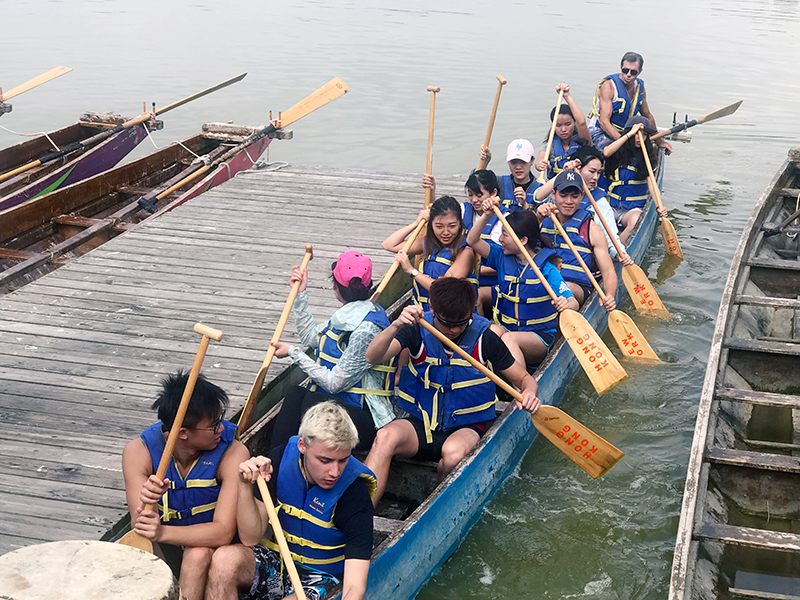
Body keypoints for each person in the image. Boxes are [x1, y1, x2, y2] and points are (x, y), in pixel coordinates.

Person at [363, 277, 541, 505]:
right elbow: (372, 356)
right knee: (384, 436)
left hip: (466, 425)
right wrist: (397, 324)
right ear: (433, 310)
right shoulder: (416, 330)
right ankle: (363, 512)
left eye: (462, 322)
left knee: (453, 456)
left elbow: (526, 380)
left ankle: (431, 508)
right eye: (447, 323)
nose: (455, 330)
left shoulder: (485, 338)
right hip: (422, 423)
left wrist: (529, 394)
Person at [205, 402, 374, 600]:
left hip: (323, 578)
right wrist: (244, 485)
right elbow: (250, 538)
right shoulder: (279, 460)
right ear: (302, 446)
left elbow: (355, 588)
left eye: (343, 460)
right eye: (325, 460)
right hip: (280, 563)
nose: (335, 472)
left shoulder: (355, 493)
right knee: (224, 559)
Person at [121, 371, 250, 600]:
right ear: (183, 433)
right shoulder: (137, 452)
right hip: (166, 550)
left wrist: (162, 531)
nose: (222, 429)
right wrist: (148, 501)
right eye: (213, 426)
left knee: (197, 554)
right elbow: (140, 526)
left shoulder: (233, 453)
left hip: (218, 551)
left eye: (220, 420)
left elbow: (222, 532)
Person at [269, 251, 395, 454]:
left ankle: (280, 463)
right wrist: (300, 294)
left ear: (335, 286)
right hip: (339, 408)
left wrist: (294, 353)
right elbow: (311, 337)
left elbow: (334, 384)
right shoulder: (349, 314)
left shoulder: (366, 329)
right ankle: (273, 461)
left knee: (311, 402)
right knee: (295, 394)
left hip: (365, 419)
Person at [467, 202, 578, 367]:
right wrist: (487, 215)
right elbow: (472, 240)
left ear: (523, 240)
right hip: (508, 329)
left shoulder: (547, 269)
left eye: (505, 234)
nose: (500, 239)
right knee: (484, 332)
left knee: (509, 339)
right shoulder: (500, 258)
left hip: (538, 338)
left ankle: (522, 389)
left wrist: (566, 303)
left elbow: (573, 303)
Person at [537, 170, 619, 309]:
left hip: (577, 289)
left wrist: (610, 296)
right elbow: (519, 244)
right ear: (553, 194)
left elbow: (609, 272)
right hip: (545, 285)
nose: (568, 202)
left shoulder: (592, 230)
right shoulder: (542, 220)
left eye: (574, 196)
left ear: (582, 196)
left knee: (564, 288)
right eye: (563, 195)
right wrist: (538, 219)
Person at [381, 195, 476, 312]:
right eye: (439, 226)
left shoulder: (465, 251)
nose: (446, 232)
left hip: (448, 316)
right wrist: (417, 223)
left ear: (460, 224)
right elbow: (389, 244)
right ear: (431, 225)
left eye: (452, 226)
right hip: (421, 313)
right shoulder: (427, 243)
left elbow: (444, 289)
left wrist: (411, 270)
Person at [597, 117, 668, 244]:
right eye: (636, 133)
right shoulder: (616, 151)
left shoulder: (646, 157)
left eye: (644, 134)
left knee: (635, 222)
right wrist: (630, 133)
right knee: (593, 217)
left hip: (630, 210)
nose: (639, 137)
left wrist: (659, 206)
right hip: (610, 206)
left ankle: (618, 250)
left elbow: (651, 184)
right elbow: (606, 153)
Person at [586, 51, 673, 155]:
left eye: (633, 72)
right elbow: (604, 122)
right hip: (600, 131)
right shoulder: (609, 86)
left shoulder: (640, 88)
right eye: (625, 70)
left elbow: (648, 116)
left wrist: (659, 141)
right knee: (619, 154)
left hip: (624, 134)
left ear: (640, 71)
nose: (628, 75)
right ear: (621, 67)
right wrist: (623, 142)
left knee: (646, 153)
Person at [535, 83, 591, 180]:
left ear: (574, 123)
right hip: (557, 188)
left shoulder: (583, 140)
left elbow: (581, 122)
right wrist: (539, 164)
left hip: (578, 187)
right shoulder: (549, 146)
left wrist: (567, 96)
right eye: (558, 125)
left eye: (568, 124)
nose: (563, 129)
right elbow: (540, 159)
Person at [478, 139, 543, 211]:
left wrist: (525, 205)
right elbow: (474, 182)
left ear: (532, 161)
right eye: (513, 162)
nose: (518, 167)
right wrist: (484, 162)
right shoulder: (500, 182)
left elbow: (540, 220)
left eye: (523, 162)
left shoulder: (541, 189)